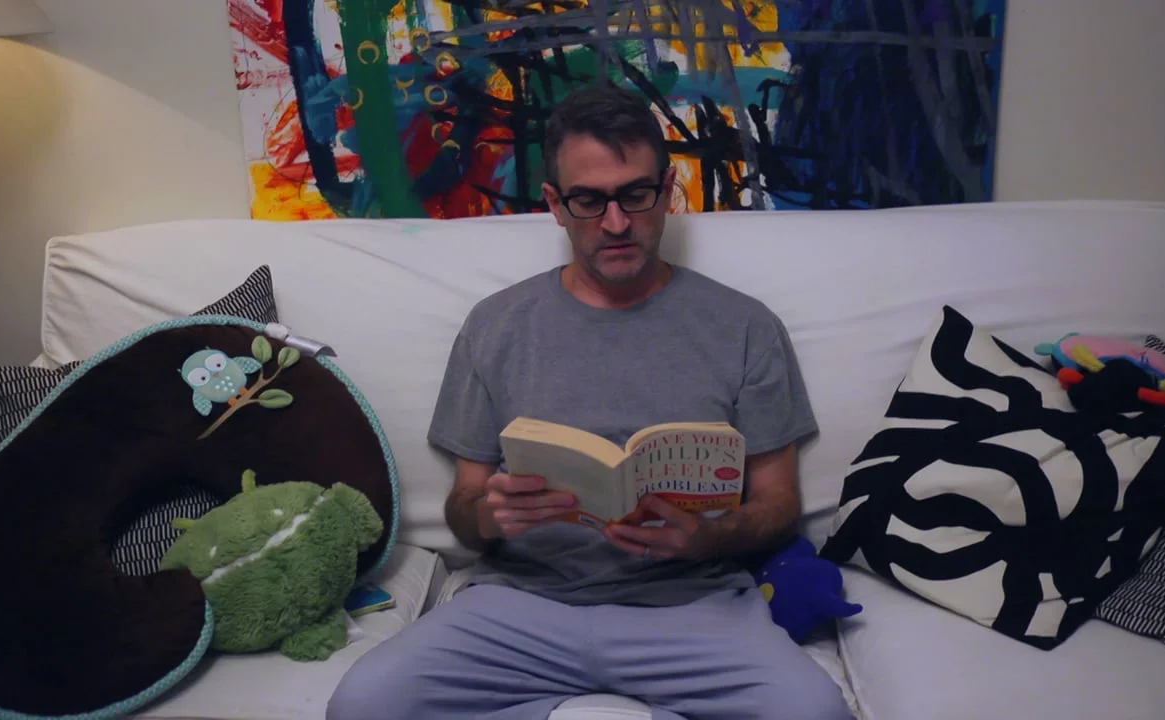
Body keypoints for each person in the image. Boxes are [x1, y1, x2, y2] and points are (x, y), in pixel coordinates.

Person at [327, 84, 853, 720]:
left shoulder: (745, 326)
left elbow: (779, 504)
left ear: (667, 189)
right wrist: (491, 515)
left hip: (691, 604)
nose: (616, 223)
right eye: (589, 200)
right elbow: (464, 509)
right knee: (363, 705)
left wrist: (708, 536)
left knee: (814, 712)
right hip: (523, 603)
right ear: (555, 203)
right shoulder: (496, 326)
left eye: (636, 194)